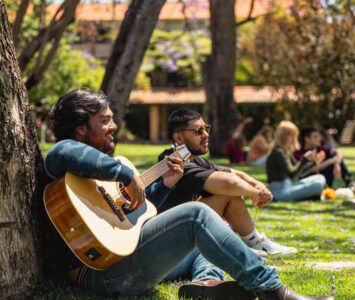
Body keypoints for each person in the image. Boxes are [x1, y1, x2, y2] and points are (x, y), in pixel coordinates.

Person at [40, 89, 327, 300]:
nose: (113, 126)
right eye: (104, 120)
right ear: (80, 128)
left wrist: (165, 185)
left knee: (211, 237)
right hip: (100, 275)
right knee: (198, 214)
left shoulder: (92, 178)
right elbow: (67, 150)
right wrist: (125, 173)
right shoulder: (62, 160)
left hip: (124, 263)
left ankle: (206, 286)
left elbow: (136, 218)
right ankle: (273, 291)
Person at [158, 109, 297, 257]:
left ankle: (255, 242)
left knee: (229, 191)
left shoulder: (192, 158)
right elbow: (227, 182)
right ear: (178, 137)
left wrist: (257, 184)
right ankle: (251, 243)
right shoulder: (172, 162)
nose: (206, 134)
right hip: (173, 242)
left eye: (206, 128)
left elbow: (234, 173)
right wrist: (255, 193)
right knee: (226, 192)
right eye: (198, 131)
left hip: (186, 231)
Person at [266, 121, 326, 201]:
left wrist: (314, 163)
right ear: (283, 136)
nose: (293, 139)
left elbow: (299, 174)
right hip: (280, 192)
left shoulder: (285, 151)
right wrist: (303, 159)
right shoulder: (278, 152)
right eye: (291, 135)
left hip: (289, 185)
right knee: (318, 186)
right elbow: (292, 174)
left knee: (320, 177)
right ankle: (312, 196)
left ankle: (312, 196)